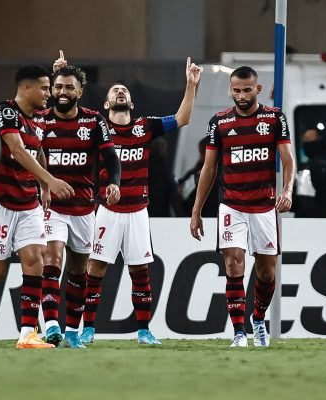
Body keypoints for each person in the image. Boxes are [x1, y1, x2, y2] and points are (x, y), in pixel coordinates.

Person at [78, 57, 202, 345]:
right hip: (106, 211)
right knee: (96, 269)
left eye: (124, 91)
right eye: (114, 91)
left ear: (132, 104)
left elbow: (182, 118)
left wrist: (191, 85)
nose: (120, 92)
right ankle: (88, 329)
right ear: (106, 105)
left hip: (137, 211)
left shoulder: (144, 126)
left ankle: (144, 331)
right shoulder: (97, 129)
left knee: (139, 271)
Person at [0, 65, 73, 350]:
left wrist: (44, 187)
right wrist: (51, 179)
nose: (49, 94)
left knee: (35, 260)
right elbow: (17, 150)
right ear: (26, 88)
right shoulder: (5, 112)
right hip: (0, 203)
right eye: (45, 88)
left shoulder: (38, 119)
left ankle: (27, 333)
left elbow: (38, 150)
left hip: (29, 203)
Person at [189, 66, 296, 348]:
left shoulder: (274, 118)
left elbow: (288, 160)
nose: (241, 95)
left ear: (257, 89)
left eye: (247, 90)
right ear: (230, 90)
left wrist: (287, 190)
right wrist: (197, 210)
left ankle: (258, 319)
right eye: (236, 90)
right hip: (232, 205)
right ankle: (239, 332)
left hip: (264, 207)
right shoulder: (219, 122)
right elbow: (208, 168)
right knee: (233, 263)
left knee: (266, 272)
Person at [40, 53, 121, 348]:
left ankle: (72, 332)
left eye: (69, 87)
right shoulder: (42, 121)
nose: (63, 92)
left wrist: (113, 182)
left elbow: (111, 156)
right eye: (58, 86)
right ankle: (50, 324)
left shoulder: (93, 120)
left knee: (78, 271)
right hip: (52, 208)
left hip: (85, 209)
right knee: (53, 258)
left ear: (80, 91)